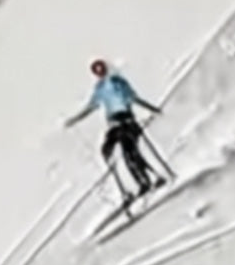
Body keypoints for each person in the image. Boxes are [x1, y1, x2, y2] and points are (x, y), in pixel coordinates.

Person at [65, 59, 164, 197]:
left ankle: (148, 180)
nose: (100, 73)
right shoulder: (100, 88)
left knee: (130, 153)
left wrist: (152, 109)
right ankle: (141, 183)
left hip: (126, 122)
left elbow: (134, 98)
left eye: (101, 69)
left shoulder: (118, 83)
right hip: (115, 125)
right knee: (110, 151)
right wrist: (75, 119)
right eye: (97, 71)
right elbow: (91, 107)